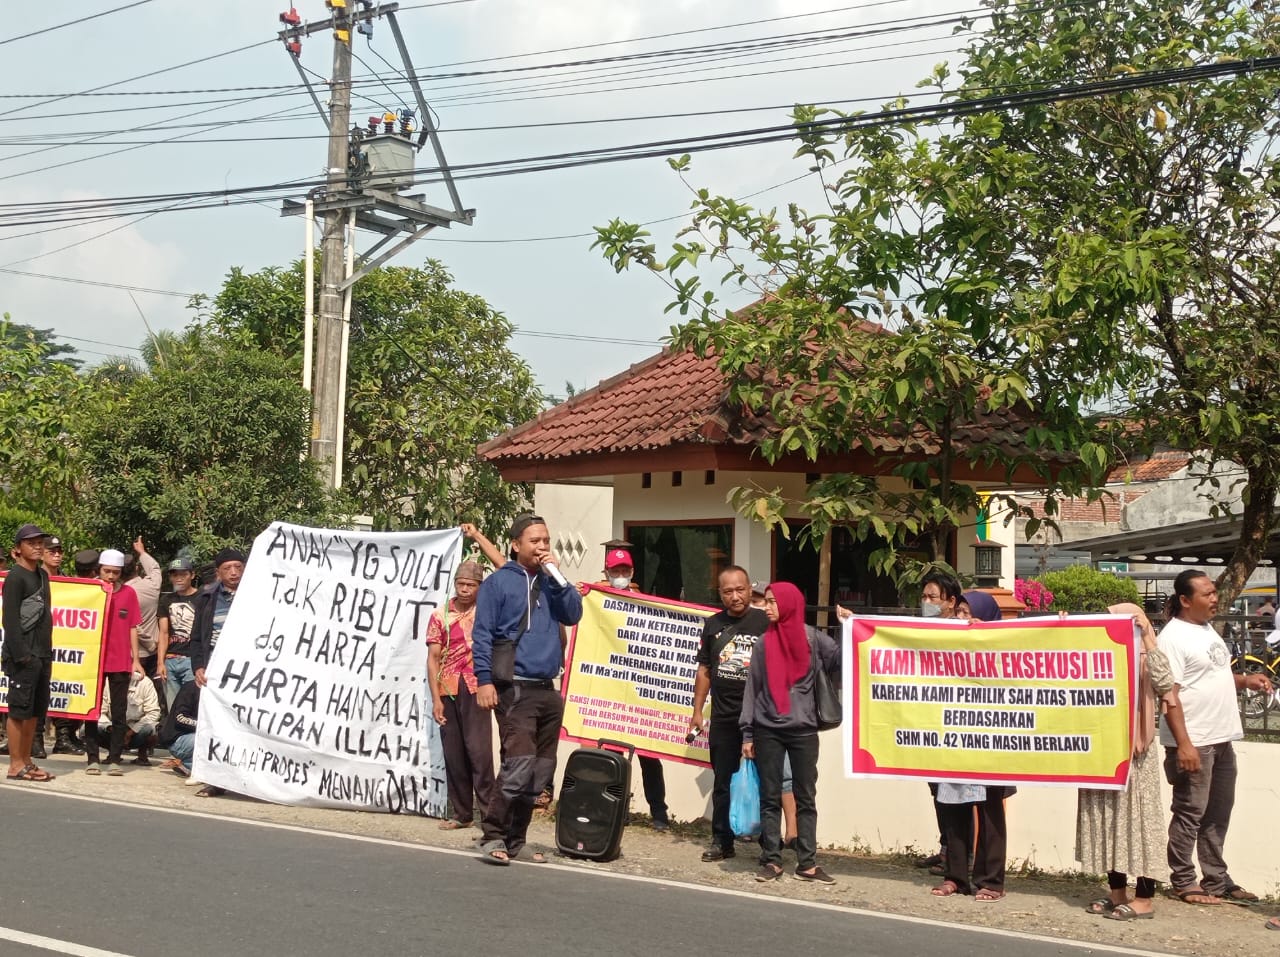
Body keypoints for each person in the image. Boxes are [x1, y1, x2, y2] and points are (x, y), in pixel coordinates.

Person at [471, 513, 583, 865]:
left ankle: (516, 840)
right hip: (514, 688)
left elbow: (573, 614)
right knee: (518, 763)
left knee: (539, 770)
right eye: (534, 541)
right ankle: (493, 835)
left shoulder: (553, 583)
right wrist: (484, 680)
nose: (542, 547)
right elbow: (483, 635)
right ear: (516, 545)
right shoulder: (498, 584)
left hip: (547, 689)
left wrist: (560, 578)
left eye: (546, 541)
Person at [1159, 570, 1269, 905]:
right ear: (1184, 600)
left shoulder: (1206, 630)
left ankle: (1216, 879)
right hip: (1195, 741)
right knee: (1190, 812)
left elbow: (1211, 676)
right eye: (1207, 594)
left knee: (1218, 813)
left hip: (1221, 738)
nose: (1214, 598)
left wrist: (1244, 681)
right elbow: (1170, 695)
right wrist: (1185, 744)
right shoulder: (1173, 638)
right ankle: (1183, 880)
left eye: (1213, 592)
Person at [740, 581, 840, 884]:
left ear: (789, 604)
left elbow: (840, 660)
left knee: (806, 796)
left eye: (772, 602)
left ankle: (807, 863)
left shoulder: (813, 639)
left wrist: (850, 627)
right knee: (769, 797)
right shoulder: (763, 644)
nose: (767, 607)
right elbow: (752, 688)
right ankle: (772, 860)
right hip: (767, 729)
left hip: (804, 731)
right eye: (766, 602)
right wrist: (747, 733)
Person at [1078, 603, 1173, 921]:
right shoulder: (1098, 655)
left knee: (1143, 824)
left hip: (1137, 754)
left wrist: (1146, 634)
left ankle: (1144, 898)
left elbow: (1165, 683)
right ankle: (1117, 894)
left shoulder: (1147, 655)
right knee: (1107, 821)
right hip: (1102, 748)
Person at [931, 590, 1011, 902]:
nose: (963, 618)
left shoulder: (1004, 647)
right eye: (960, 612)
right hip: (955, 733)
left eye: (969, 613)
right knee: (953, 805)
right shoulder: (947, 644)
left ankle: (991, 880)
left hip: (991, 737)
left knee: (990, 809)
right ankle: (956, 876)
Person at [688, 566, 771, 863]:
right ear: (720, 594)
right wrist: (697, 711)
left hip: (761, 719)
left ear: (750, 589)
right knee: (722, 781)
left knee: (766, 781)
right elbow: (705, 670)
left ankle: (768, 845)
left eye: (740, 590)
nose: (735, 596)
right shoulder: (713, 625)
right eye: (727, 591)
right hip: (723, 717)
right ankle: (722, 841)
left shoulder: (765, 622)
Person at [592, 543, 669, 830]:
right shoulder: (596, 599)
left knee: (649, 754)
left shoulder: (645, 602)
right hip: (611, 686)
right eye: (616, 570)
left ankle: (659, 812)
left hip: (640, 689)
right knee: (613, 755)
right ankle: (615, 810)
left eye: (625, 570)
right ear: (607, 572)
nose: (620, 574)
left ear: (632, 571)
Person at [427, 560, 496, 831]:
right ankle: (462, 813)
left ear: (480, 587)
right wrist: (435, 699)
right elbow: (433, 658)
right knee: (453, 753)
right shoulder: (441, 615)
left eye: (471, 585)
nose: (465, 589)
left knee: (479, 752)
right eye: (461, 584)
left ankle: (491, 815)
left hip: (476, 684)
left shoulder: (486, 613)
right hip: (448, 687)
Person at [1, 524, 56, 781]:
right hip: (24, 655)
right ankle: (15, 764)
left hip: (43, 653)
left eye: (40, 542)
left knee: (36, 711)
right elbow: (10, 621)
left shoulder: (43, 576)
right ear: (18, 548)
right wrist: (22, 655)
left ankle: (27, 760)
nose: (37, 546)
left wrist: (46, 653)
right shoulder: (15, 577)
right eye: (31, 542)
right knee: (19, 710)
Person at [86, 548, 144, 776]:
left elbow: (132, 627)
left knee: (119, 712)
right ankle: (92, 758)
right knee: (91, 711)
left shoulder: (129, 593)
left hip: (120, 660)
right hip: (93, 660)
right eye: (106, 571)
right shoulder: (90, 591)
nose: (110, 576)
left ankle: (115, 758)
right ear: (98, 570)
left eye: (115, 572)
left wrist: (136, 659)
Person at [190, 548, 246, 689]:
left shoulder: (258, 595)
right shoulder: (207, 598)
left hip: (248, 668)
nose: (234, 572)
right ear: (218, 573)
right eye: (227, 568)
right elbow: (196, 637)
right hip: (215, 666)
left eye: (238, 567)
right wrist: (198, 667)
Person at [156, 557, 200, 705]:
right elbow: (163, 633)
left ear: (192, 575)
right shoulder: (166, 600)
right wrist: (160, 662)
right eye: (175, 575)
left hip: (192, 660)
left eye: (183, 574)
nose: (179, 578)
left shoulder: (202, 598)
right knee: (173, 706)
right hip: (170, 660)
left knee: (191, 706)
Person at [99, 671, 161, 766]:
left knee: (153, 728)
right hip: (113, 728)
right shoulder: (107, 682)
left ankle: (142, 754)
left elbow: (154, 712)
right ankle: (113, 753)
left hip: (136, 730)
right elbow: (100, 712)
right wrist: (112, 729)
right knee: (87, 729)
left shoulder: (145, 682)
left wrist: (131, 732)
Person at [158, 681, 200, 778]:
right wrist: (203, 726)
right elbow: (180, 718)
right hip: (178, 739)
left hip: (192, 736)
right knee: (206, 738)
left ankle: (187, 766)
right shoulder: (190, 688)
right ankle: (189, 766)